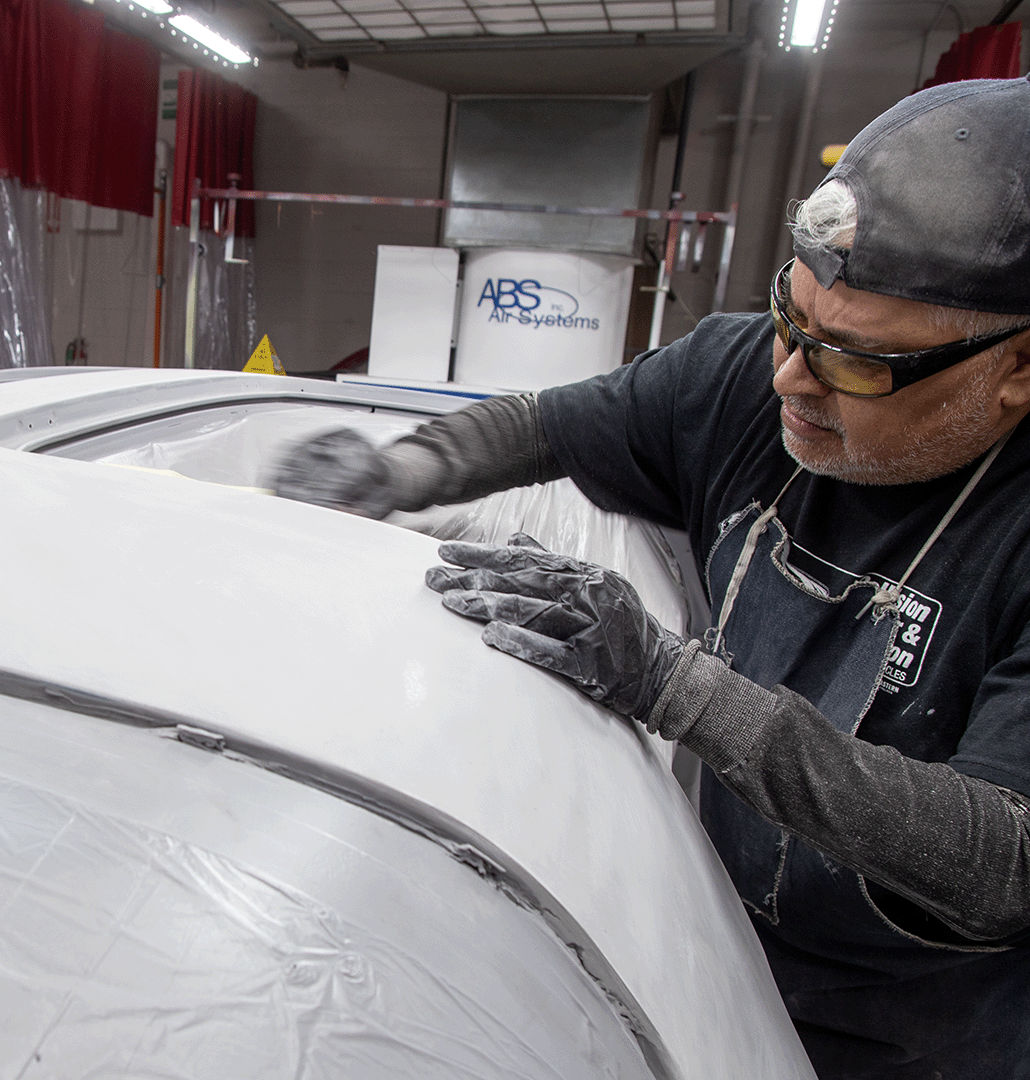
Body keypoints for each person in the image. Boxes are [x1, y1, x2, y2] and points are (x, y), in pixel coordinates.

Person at [271, 77, 1030, 1079]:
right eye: (788, 320)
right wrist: (405, 468)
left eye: (857, 364)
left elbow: (1003, 861)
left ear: (1015, 367)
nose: (791, 380)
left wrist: (676, 688)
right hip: (708, 962)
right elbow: (547, 422)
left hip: (916, 1033)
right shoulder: (743, 383)